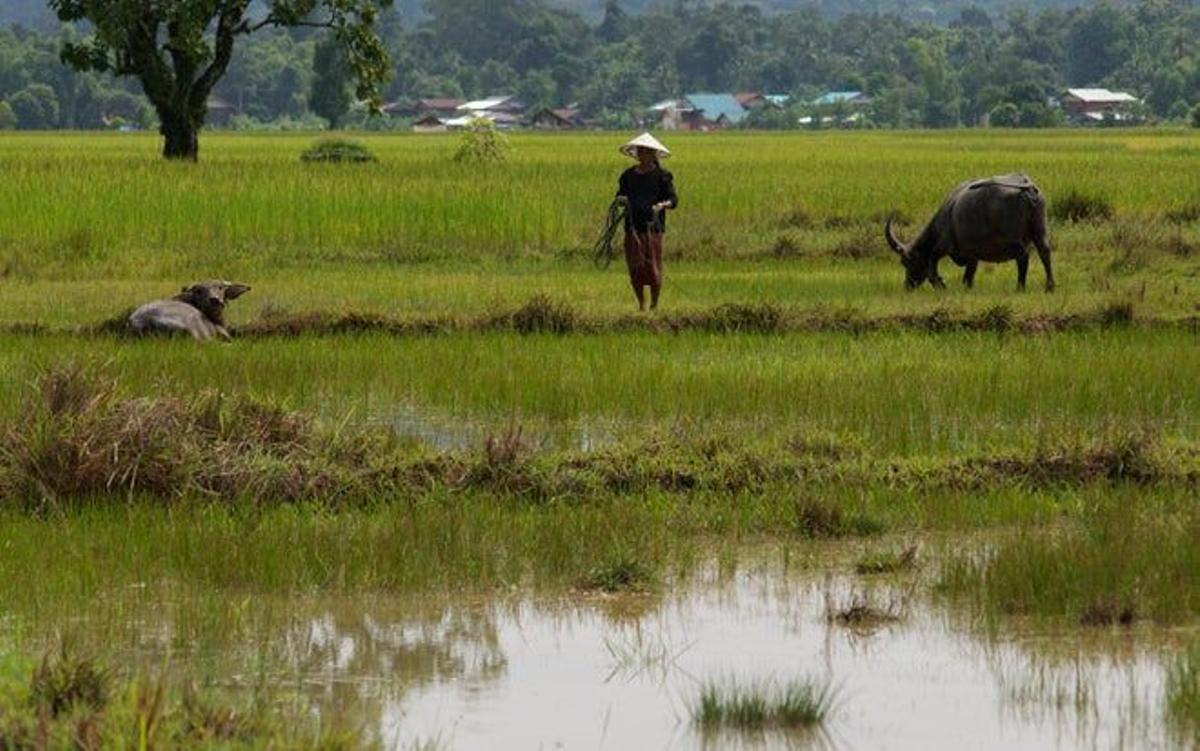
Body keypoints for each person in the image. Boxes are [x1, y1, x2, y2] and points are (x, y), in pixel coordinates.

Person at [616, 133, 678, 310]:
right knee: (635, 268)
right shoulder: (628, 176)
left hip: (653, 228)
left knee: (652, 267)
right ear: (636, 154)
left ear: (654, 154)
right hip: (632, 227)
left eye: (647, 151)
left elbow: (673, 200)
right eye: (640, 151)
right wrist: (621, 200)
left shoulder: (663, 176)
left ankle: (654, 304)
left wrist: (661, 205)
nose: (643, 154)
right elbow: (620, 195)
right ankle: (641, 304)